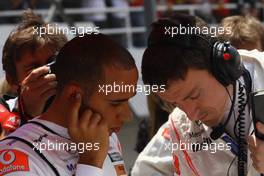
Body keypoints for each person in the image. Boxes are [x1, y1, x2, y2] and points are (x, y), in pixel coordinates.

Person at [131, 13, 264, 176]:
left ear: (221, 67)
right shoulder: (179, 125)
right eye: (175, 104)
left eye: (193, 96)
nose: (191, 114)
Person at [0, 33, 138, 175]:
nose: (127, 116)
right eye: (115, 103)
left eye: (128, 100)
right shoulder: (15, 158)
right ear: (73, 95)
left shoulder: (107, 137)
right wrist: (90, 162)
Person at [0, 9, 67, 138]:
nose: (46, 71)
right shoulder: (2, 114)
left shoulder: (83, 113)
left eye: (52, 62)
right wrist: (27, 114)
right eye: (34, 68)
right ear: (12, 80)